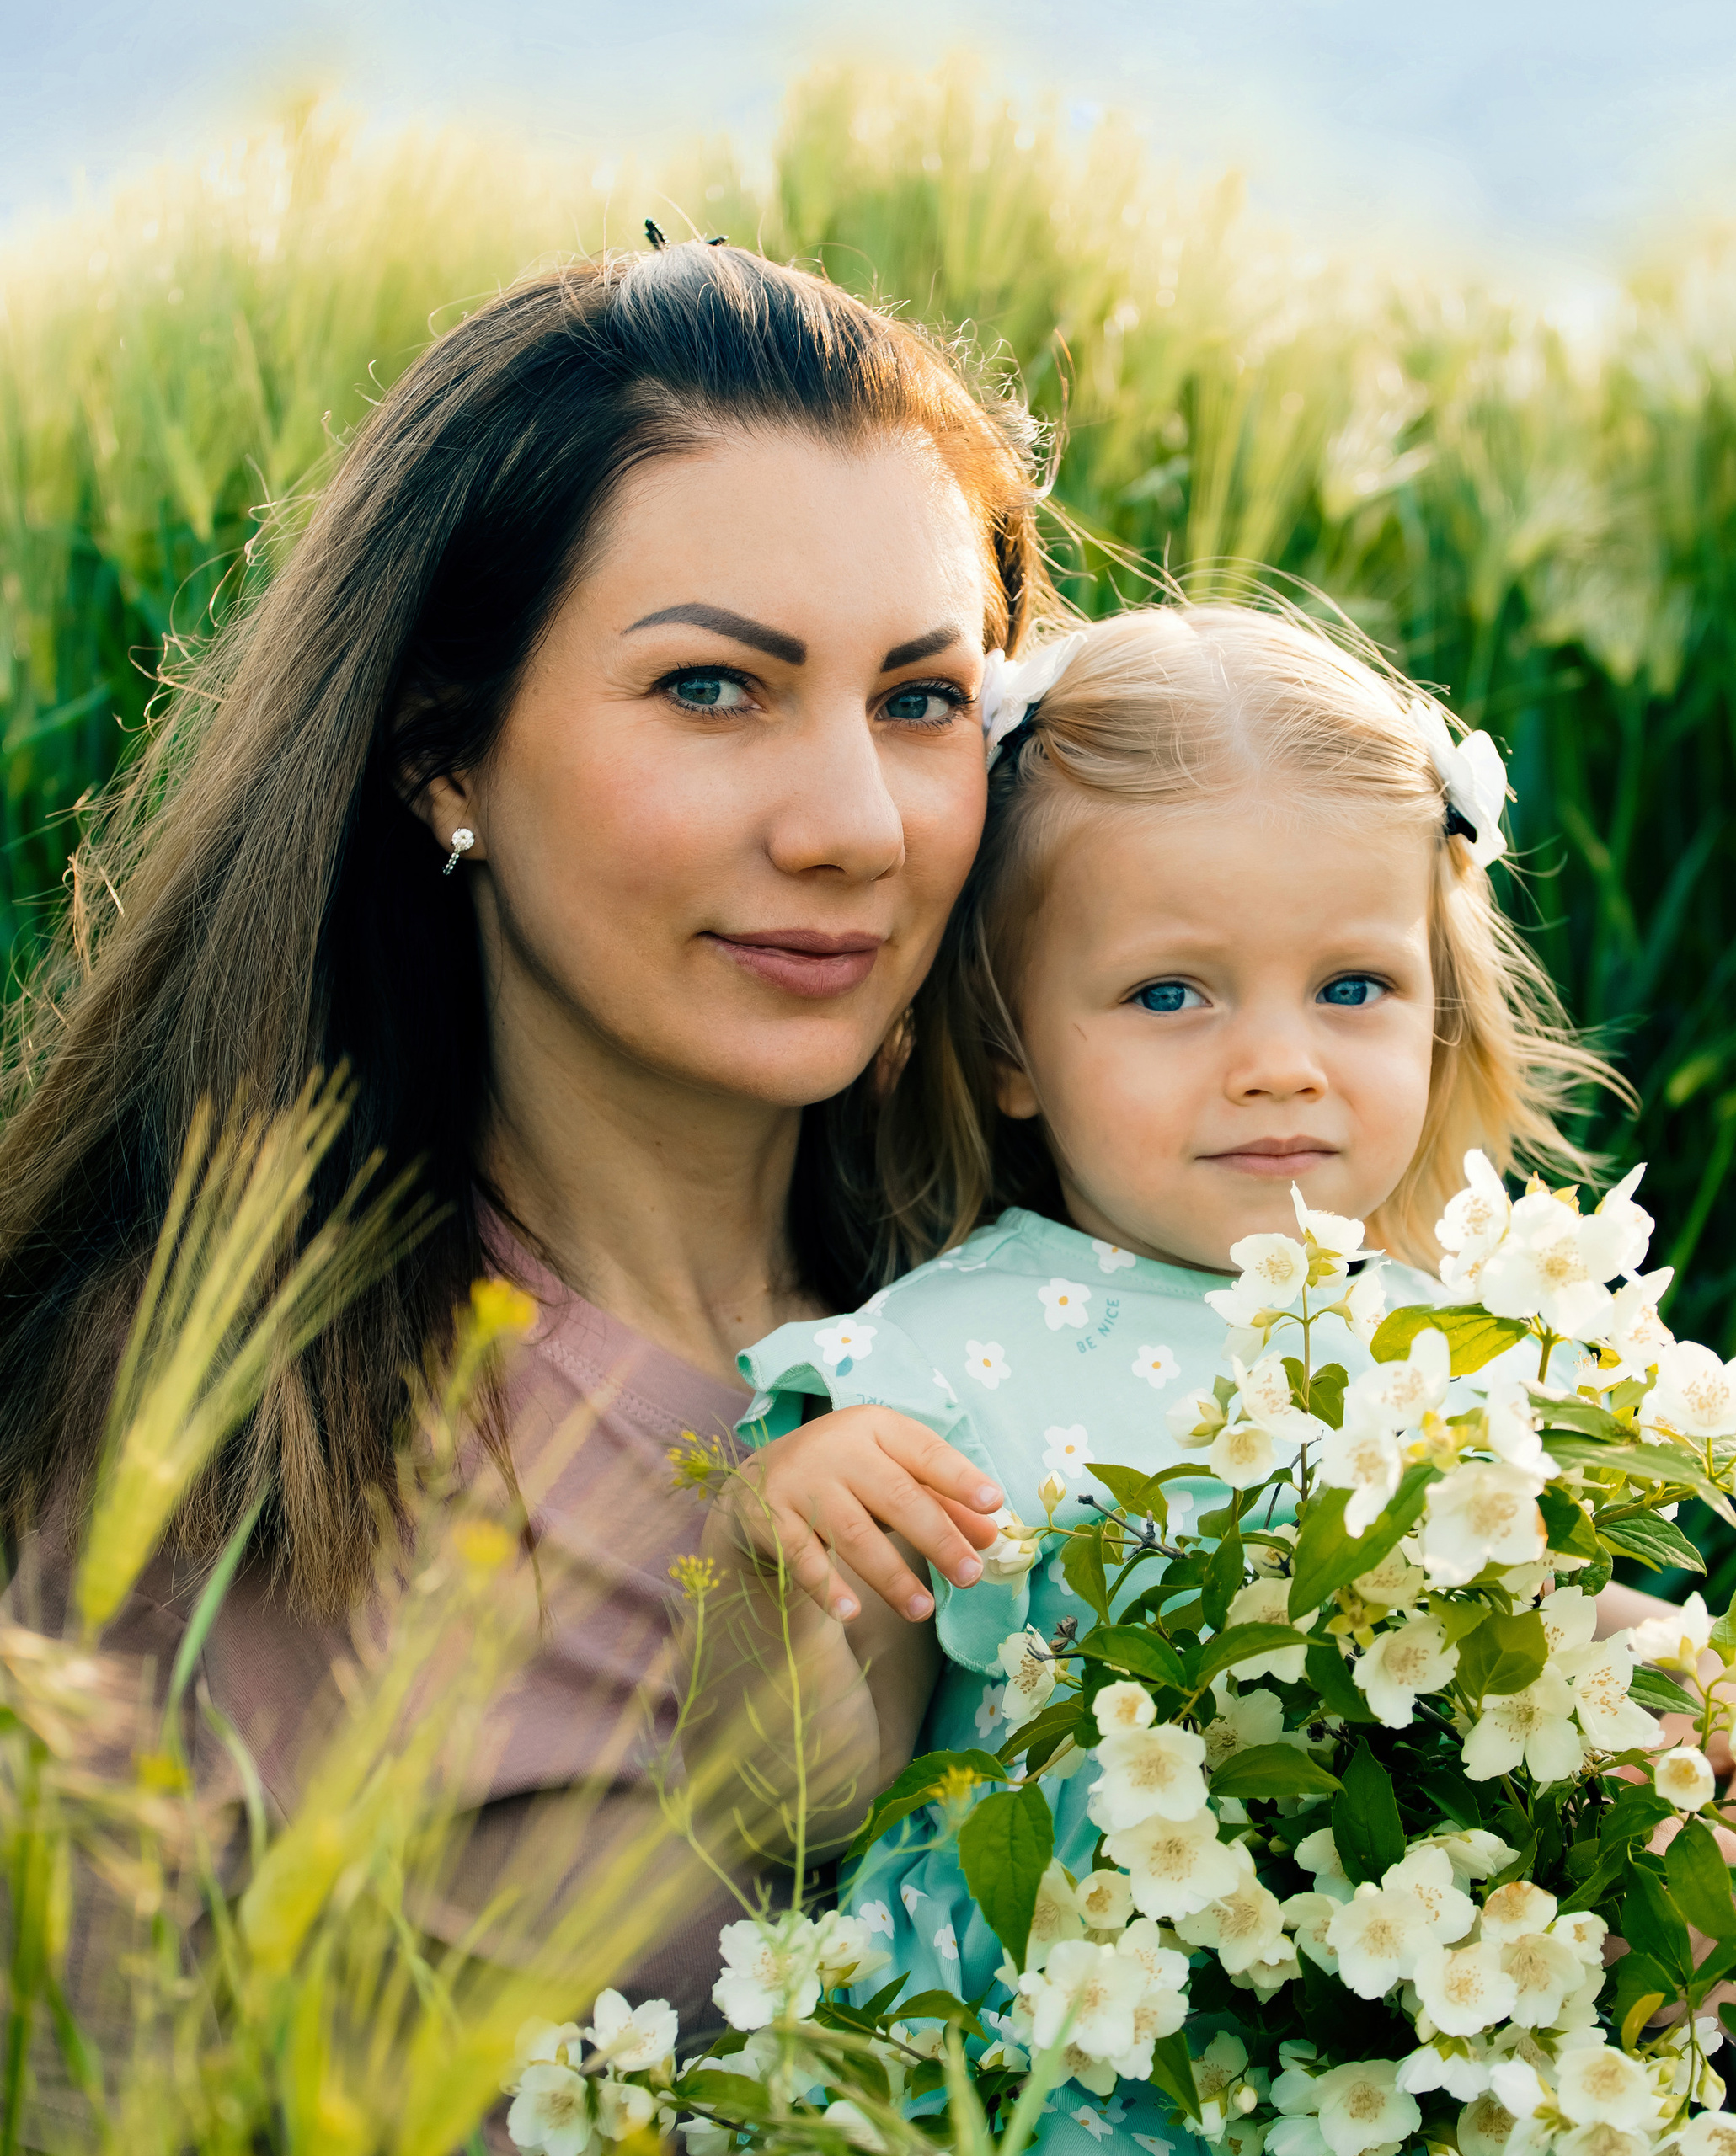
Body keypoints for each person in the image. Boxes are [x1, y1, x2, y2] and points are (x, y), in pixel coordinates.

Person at [0, 237, 1065, 2063]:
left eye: (920, 698)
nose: (852, 825)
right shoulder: (214, 1464)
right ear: (444, 754)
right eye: (712, 689)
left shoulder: (1082, 1306)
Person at [739, 605, 1736, 2153]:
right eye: (1171, 995)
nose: (1277, 1063)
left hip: (1402, 2069)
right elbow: (820, 1808)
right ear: (1007, 1044)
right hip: (1074, 2090)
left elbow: (1524, 1612)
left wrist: (1679, 1671)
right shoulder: (941, 1362)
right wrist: (786, 1564)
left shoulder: (1457, 1340)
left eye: (1353, 989)